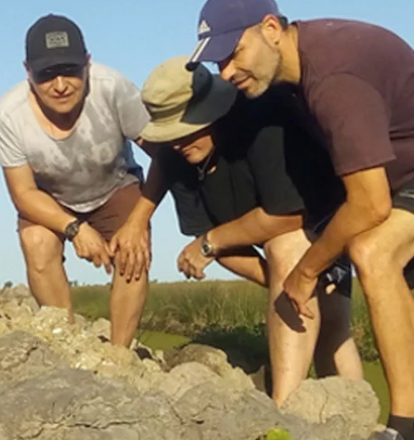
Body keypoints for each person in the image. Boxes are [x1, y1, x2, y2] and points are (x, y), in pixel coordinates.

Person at [186, 0, 414, 438]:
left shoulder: (333, 77)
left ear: (271, 28)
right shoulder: (286, 78)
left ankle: (405, 428)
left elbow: (370, 205)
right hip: (408, 179)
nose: (226, 71)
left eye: (234, 53)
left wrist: (305, 271)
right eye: (218, 61)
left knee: (373, 251)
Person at [113, 55, 362, 404]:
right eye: (170, 136)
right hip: (278, 242)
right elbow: (210, 243)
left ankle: (295, 409)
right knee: (290, 276)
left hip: (323, 220)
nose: (178, 143)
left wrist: (211, 242)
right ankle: (292, 409)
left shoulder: (261, 125)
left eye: (186, 131)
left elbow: (286, 217)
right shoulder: (176, 158)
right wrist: (281, 280)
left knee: (327, 317)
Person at [0, 14, 151, 347]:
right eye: (46, 75)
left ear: (87, 64)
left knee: (133, 250)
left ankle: (119, 354)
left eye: (70, 71)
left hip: (115, 184)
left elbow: (165, 156)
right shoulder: (9, 114)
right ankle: (67, 344)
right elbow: (23, 193)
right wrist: (75, 228)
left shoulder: (114, 88)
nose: (61, 85)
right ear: (27, 72)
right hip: (50, 197)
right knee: (36, 241)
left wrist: (138, 222)